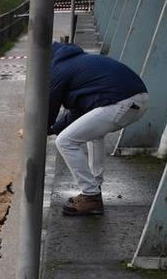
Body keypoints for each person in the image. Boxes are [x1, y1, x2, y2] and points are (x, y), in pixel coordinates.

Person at [46, 41, 148, 216]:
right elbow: (77, 114)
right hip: (138, 100)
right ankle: (95, 184)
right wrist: (52, 128)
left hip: (120, 103)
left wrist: (38, 130)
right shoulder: (78, 63)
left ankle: (90, 195)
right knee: (94, 134)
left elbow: (49, 106)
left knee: (64, 141)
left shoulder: (59, 69)